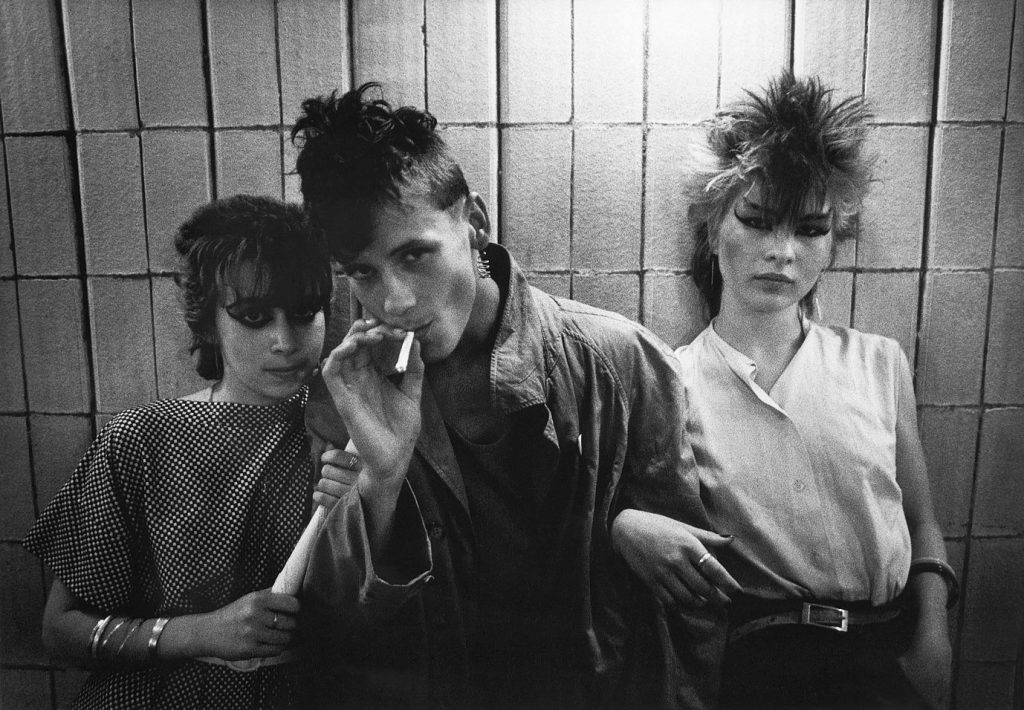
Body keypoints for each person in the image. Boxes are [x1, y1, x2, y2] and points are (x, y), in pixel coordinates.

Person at [289, 82, 739, 709]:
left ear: (474, 222)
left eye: (416, 254)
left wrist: (619, 525)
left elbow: (690, 608)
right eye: (362, 271)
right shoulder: (350, 388)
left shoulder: (618, 361)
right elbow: (339, 629)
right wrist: (382, 479)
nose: (394, 299)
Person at [611, 71, 954, 709]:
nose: (782, 251)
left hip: (885, 655)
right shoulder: (669, 379)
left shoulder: (879, 363)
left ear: (834, 239)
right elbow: (605, 506)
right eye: (757, 220)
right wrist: (622, 528)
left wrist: (935, 637)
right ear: (714, 227)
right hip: (754, 668)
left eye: (810, 229)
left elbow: (921, 519)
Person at [22, 195, 332, 709]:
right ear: (209, 321)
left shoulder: (352, 433)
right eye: (253, 316)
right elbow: (59, 629)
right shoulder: (141, 438)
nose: (285, 341)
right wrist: (200, 633)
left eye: (304, 313)